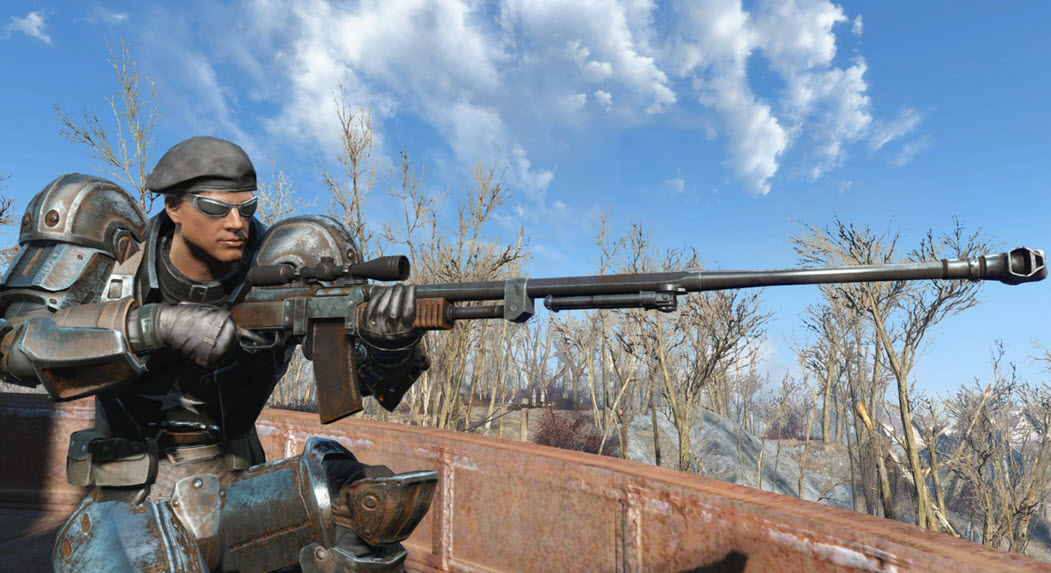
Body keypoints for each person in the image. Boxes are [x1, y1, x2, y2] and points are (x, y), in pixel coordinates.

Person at [0, 136, 434, 571]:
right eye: (215, 208)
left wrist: (391, 344)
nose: (236, 223)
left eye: (247, 208)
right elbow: (13, 346)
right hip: (127, 498)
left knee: (370, 508)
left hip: (239, 490)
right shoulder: (112, 248)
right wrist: (154, 326)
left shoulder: (291, 262)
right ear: (174, 207)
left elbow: (377, 385)